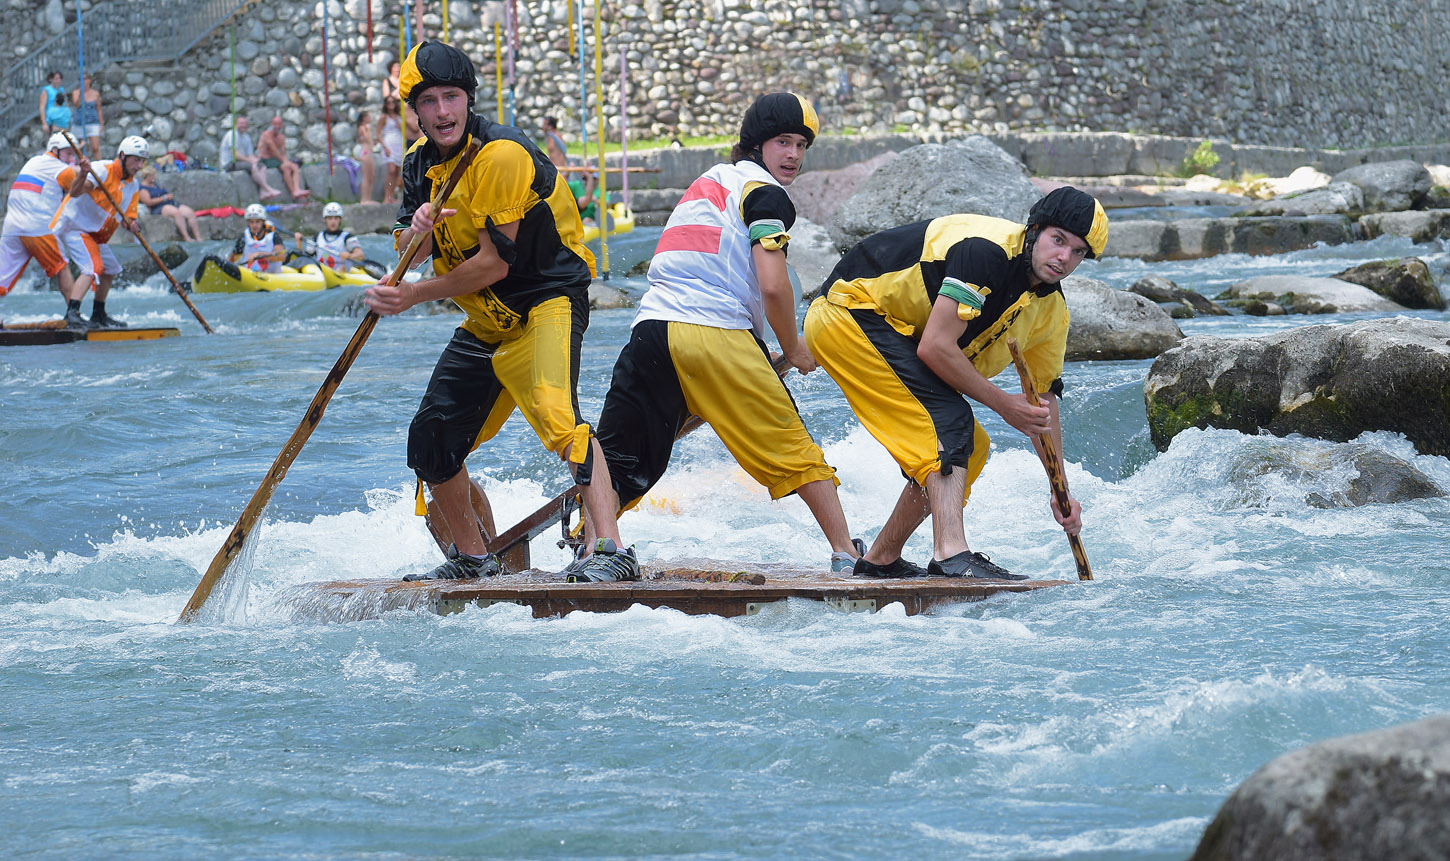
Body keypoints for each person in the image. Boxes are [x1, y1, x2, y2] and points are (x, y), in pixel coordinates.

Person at [577, 92, 860, 582]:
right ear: (756, 144)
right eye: (782, 142)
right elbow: (773, 286)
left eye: (801, 145)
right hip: (714, 335)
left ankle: (597, 551)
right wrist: (792, 349)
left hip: (651, 332)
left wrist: (757, 346)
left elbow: (711, 265)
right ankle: (846, 552)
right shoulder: (767, 194)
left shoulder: (710, 180)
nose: (792, 154)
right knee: (794, 448)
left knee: (620, 457)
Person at [361, 40, 612, 582]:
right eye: (428, 102)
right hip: (488, 318)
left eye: (452, 97)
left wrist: (412, 297)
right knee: (431, 440)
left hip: (545, 298)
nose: (443, 112)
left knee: (554, 413)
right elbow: (412, 247)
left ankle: (611, 551)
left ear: (468, 99)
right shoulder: (417, 163)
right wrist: (419, 231)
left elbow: (494, 265)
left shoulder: (500, 153)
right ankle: (476, 560)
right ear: (416, 111)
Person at [801, 186, 1109, 580]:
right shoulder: (985, 253)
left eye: (1079, 252)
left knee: (972, 447)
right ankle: (951, 553)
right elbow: (935, 348)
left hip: (898, 333)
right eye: (1058, 240)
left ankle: (880, 559)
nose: (1064, 257)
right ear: (1035, 230)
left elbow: (1043, 401)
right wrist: (1004, 405)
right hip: (848, 311)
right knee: (950, 424)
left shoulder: (1050, 310)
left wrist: (1060, 489)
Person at [53, 135, 150, 329]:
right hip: (73, 226)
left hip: (94, 234)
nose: (139, 166)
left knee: (111, 268)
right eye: (136, 160)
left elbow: (128, 217)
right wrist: (82, 174)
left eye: (142, 161)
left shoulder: (133, 185)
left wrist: (131, 224)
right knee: (92, 268)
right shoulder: (101, 170)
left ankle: (98, 314)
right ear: (122, 156)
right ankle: (72, 314)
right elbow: (75, 192)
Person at [1, 134, 83, 309]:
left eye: (74, 154)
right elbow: (76, 180)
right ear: (55, 151)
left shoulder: (33, 161)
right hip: (38, 228)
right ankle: (74, 315)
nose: (72, 158)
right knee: (62, 268)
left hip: (11, 228)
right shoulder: (58, 167)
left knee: (2, 278)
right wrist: (86, 169)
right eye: (69, 153)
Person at [218, 116, 283, 201]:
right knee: (253, 166)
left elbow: (250, 154)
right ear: (235, 124)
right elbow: (235, 154)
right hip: (229, 163)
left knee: (262, 166)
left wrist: (255, 160)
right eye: (241, 123)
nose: (243, 125)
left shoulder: (246, 137)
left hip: (241, 162)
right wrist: (250, 161)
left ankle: (263, 192)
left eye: (245, 124)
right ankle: (267, 188)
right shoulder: (232, 135)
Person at [293, 202, 364, 272]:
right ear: (325, 220)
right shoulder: (317, 237)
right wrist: (298, 243)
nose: (333, 221)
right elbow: (305, 257)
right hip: (322, 273)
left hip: (342, 273)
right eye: (330, 218)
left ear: (340, 220)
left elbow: (360, 255)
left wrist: (350, 256)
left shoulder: (348, 237)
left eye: (336, 218)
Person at [137, 166, 200, 242]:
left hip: (171, 203)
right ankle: (186, 237)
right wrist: (163, 198)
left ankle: (198, 237)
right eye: (153, 175)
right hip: (158, 207)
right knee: (176, 213)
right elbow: (148, 202)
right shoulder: (143, 189)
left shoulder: (155, 185)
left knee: (190, 212)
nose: (155, 177)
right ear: (148, 176)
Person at [257, 116, 311, 200]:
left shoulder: (281, 137)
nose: (277, 126)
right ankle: (295, 191)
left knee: (291, 167)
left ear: (281, 125)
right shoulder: (266, 134)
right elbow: (273, 149)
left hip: (275, 160)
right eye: (275, 124)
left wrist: (286, 161)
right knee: (288, 166)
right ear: (272, 124)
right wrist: (284, 162)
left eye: (279, 124)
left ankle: (295, 190)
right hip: (265, 159)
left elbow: (283, 153)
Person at [228, 203, 285, 273]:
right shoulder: (243, 238)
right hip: (250, 275)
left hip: (272, 275)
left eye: (258, 222)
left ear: (263, 222)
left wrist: (260, 254)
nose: (254, 225)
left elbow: (282, 256)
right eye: (251, 222)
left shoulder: (273, 236)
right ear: (248, 223)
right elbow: (231, 259)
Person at [377, 95, 404, 205]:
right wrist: (385, 147)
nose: (391, 104)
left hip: (399, 143)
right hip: (389, 144)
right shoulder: (384, 117)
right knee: (391, 170)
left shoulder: (398, 116)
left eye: (393, 102)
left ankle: (392, 196)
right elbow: (378, 134)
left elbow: (402, 130)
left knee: (397, 172)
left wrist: (396, 120)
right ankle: (386, 197)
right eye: (389, 102)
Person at [70, 74, 103, 161]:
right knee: (82, 148)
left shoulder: (95, 93)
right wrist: (81, 94)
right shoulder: (76, 92)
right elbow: (77, 105)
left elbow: (98, 109)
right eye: (81, 79)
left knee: (95, 147)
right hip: (79, 122)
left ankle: (99, 165)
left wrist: (101, 124)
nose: (83, 81)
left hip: (93, 122)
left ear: (89, 80)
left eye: (85, 79)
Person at [354, 110, 377, 205]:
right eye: (368, 116)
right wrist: (368, 130)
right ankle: (364, 199)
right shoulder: (363, 127)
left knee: (371, 176)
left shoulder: (364, 127)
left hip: (368, 152)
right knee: (366, 176)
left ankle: (368, 198)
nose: (370, 117)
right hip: (365, 152)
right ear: (364, 118)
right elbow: (367, 139)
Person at [39, 71, 67, 136]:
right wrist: (44, 123)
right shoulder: (46, 90)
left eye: (60, 78)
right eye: (56, 78)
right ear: (51, 79)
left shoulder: (61, 90)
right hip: (51, 121)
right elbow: (42, 106)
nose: (59, 80)